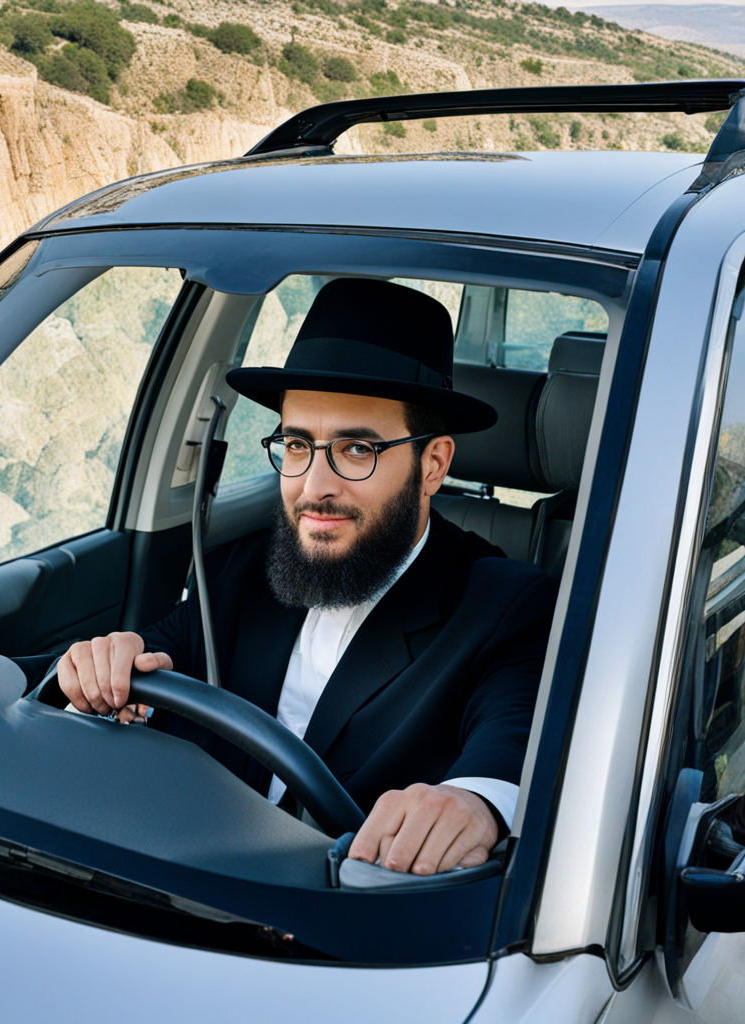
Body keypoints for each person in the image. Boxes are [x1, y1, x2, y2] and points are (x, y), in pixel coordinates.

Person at [50, 278, 556, 875]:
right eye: (297, 445)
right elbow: (149, 662)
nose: (315, 487)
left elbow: (510, 751)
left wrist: (472, 805)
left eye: (357, 450)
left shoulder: (508, 606)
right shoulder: (241, 571)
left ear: (433, 464)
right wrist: (99, 669)